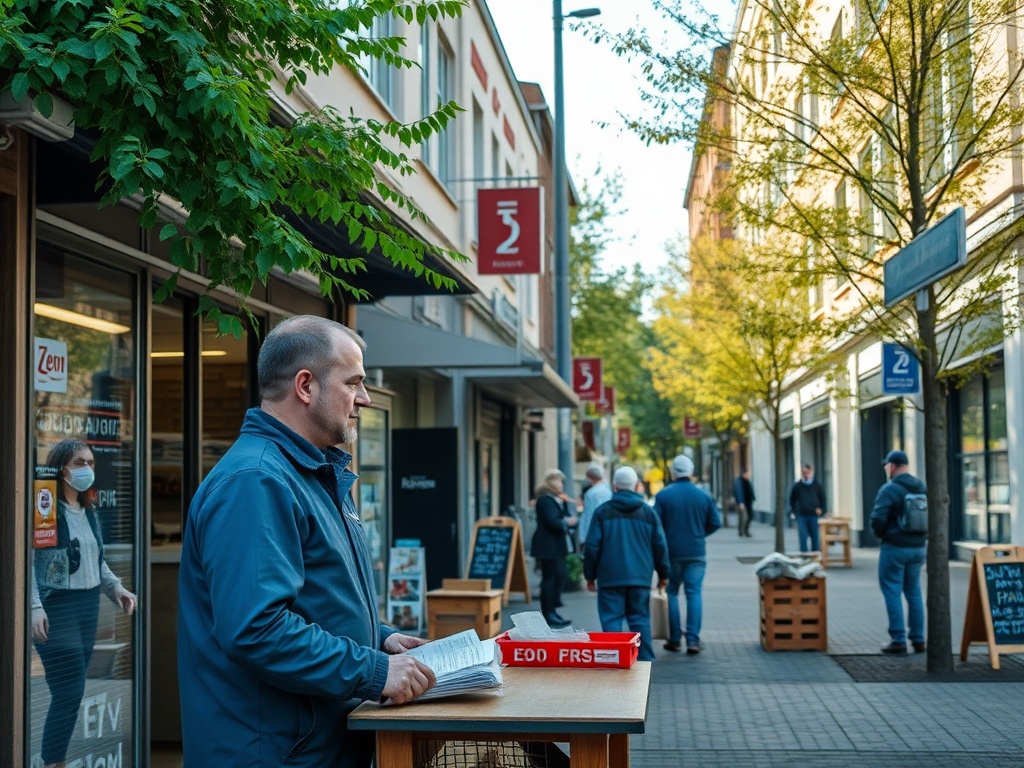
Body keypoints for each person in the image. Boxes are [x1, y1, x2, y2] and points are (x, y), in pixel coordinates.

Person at [177, 316, 436, 767]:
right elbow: (257, 629)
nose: (365, 399)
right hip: (273, 754)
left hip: (308, 747)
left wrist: (381, 640)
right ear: (305, 385)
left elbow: (316, 604)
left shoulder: (308, 473)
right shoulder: (255, 481)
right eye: (354, 382)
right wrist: (372, 670)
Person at [31, 439, 137, 768]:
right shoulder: (45, 509)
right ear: (61, 467)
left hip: (88, 605)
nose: (87, 469)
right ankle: (53, 762)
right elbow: (28, 562)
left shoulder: (89, 511)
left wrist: (117, 589)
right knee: (69, 690)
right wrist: (34, 607)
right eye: (79, 462)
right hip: (58, 605)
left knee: (72, 691)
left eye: (91, 462)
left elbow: (97, 559)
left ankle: (53, 761)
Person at [583, 466, 669, 662]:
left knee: (611, 620)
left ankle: (613, 660)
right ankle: (645, 662)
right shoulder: (648, 513)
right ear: (637, 486)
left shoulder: (602, 513)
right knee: (640, 620)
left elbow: (592, 547)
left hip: (610, 577)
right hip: (640, 577)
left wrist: (590, 575)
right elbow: (660, 546)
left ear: (614, 486)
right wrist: (663, 574)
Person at [654, 455, 722, 654]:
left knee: (672, 592)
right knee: (694, 593)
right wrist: (700, 534)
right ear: (691, 472)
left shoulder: (663, 496)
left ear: (673, 472)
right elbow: (715, 522)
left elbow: (656, 526)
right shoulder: (703, 495)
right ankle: (693, 639)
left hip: (671, 553)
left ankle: (674, 638)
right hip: (696, 553)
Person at [869, 449, 928, 655]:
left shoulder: (889, 489)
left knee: (892, 590)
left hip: (895, 547)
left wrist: (880, 535)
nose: (886, 468)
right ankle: (919, 639)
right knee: (914, 592)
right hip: (918, 548)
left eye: (887, 465)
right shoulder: (921, 487)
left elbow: (878, 518)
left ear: (892, 466)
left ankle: (898, 639)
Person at [531, 469, 578, 628]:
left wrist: (564, 505)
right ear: (550, 482)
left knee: (558, 576)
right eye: (558, 481)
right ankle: (548, 613)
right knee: (550, 579)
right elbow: (553, 521)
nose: (561, 485)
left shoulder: (555, 499)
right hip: (548, 545)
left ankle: (553, 610)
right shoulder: (545, 500)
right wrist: (567, 522)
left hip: (555, 545)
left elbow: (562, 516)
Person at [789, 463, 827, 553]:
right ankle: (804, 556)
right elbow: (792, 500)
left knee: (815, 537)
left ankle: (815, 555)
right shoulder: (798, 486)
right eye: (803, 473)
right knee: (803, 536)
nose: (805, 475)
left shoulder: (817, 485)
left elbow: (823, 499)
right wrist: (794, 511)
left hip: (814, 515)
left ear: (811, 473)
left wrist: (821, 510)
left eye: (807, 473)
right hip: (802, 515)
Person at [577, 463, 612, 552]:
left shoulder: (591, 494)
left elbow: (588, 516)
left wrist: (583, 538)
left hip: (593, 536)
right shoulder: (609, 491)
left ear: (589, 478)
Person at [732, 467, 756, 538]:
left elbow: (750, 490)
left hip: (749, 502)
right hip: (742, 502)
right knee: (743, 517)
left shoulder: (747, 482)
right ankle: (741, 531)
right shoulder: (739, 482)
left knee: (750, 517)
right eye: (748, 473)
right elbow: (738, 492)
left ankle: (745, 530)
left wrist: (753, 497)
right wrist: (740, 502)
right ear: (744, 474)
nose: (749, 475)